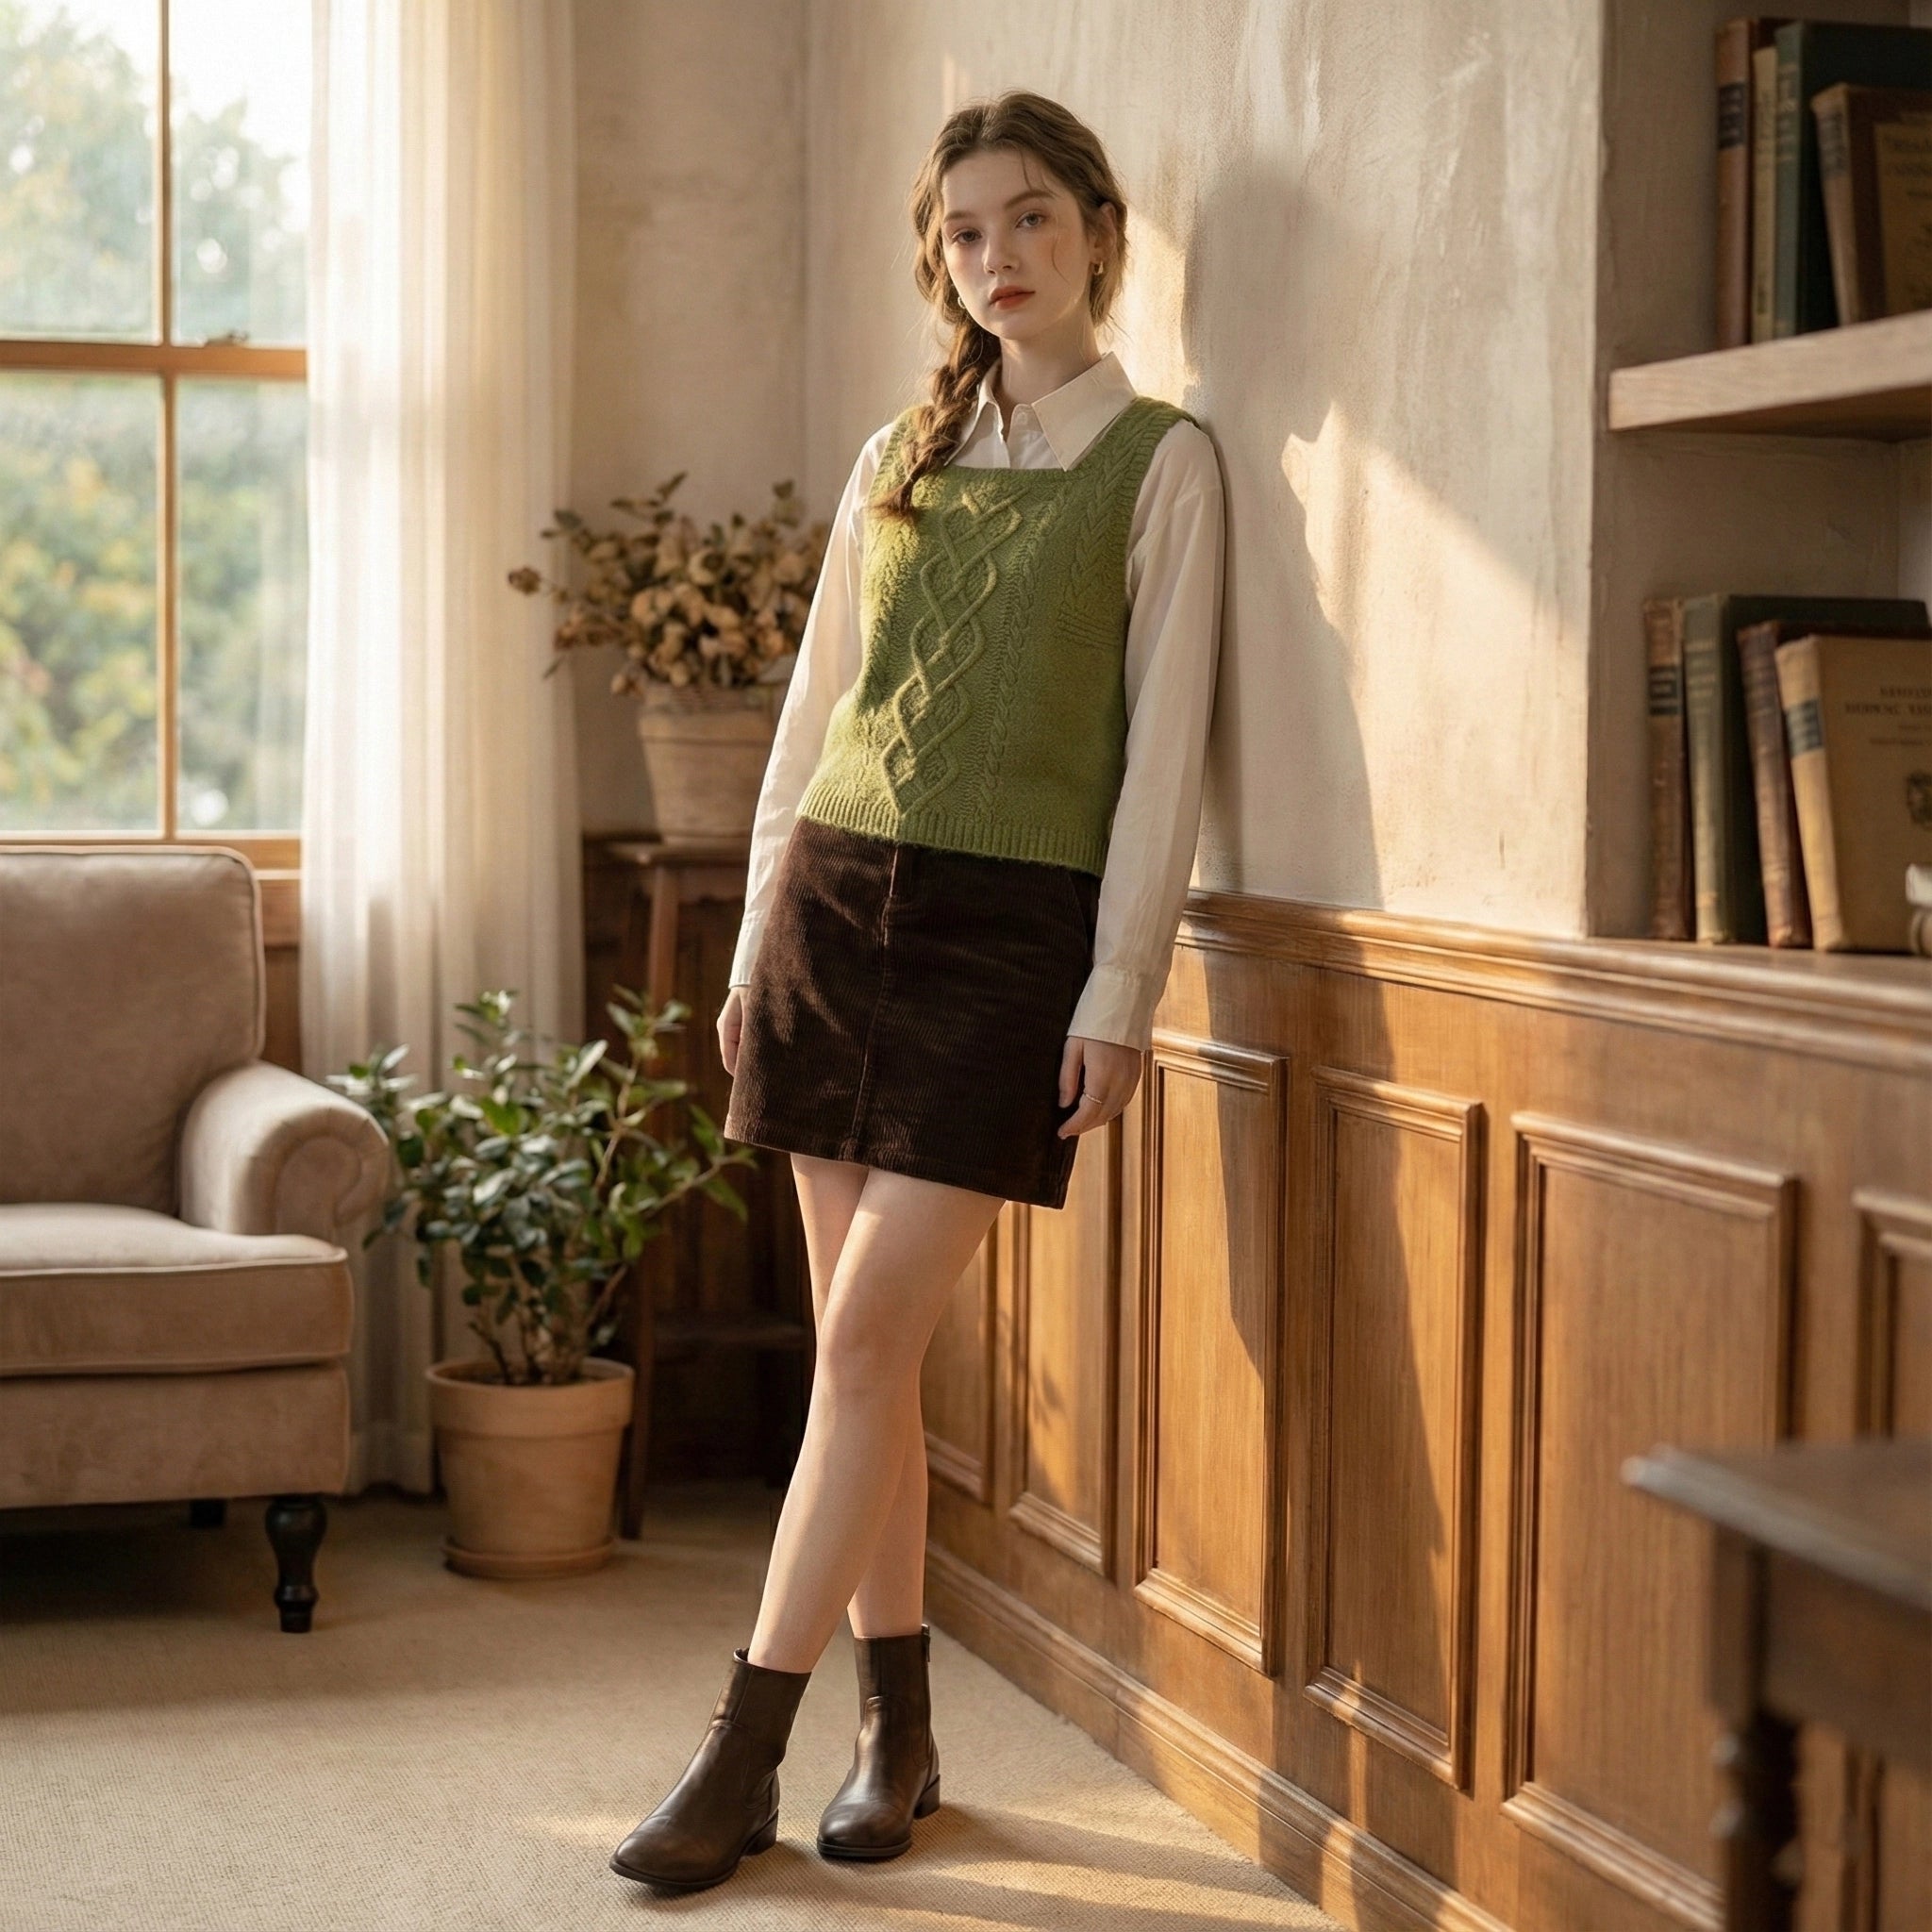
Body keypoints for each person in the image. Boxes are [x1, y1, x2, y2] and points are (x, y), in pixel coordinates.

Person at [609, 87, 1226, 1894]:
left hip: (1010, 947)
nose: (999, 259)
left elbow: (1164, 761)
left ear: (1102, 234)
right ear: (939, 261)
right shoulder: (902, 453)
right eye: (966, 233)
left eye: (1031, 220)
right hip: (832, 913)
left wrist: (1118, 993)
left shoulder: (1165, 461)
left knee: (867, 1350)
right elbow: (815, 724)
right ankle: (903, 1729)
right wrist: (745, 950)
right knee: (856, 1368)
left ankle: (738, 1757)